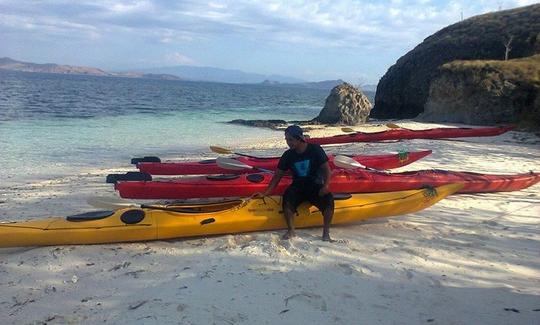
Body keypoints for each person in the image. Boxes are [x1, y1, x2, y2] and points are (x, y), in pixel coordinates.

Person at [255, 125, 335, 241]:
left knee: (329, 200)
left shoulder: (315, 149)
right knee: (287, 199)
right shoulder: (288, 155)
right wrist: (266, 193)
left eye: (291, 140)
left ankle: (326, 234)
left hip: (315, 185)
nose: (288, 143)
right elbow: (277, 176)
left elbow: (326, 169)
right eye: (286, 140)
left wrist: (326, 185)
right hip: (298, 187)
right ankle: (291, 231)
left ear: (299, 139)